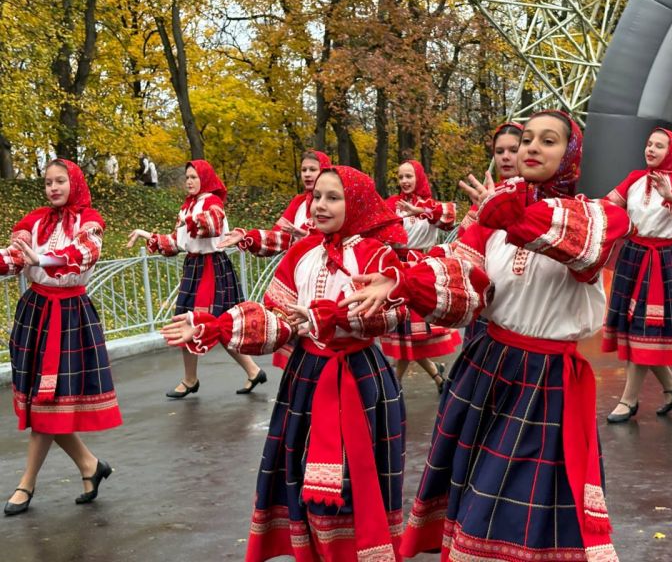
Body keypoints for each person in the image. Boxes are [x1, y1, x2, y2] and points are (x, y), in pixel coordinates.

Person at [160, 165, 491, 562]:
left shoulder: (377, 253)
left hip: (359, 377)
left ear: (358, 204)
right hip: (306, 376)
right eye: (317, 196)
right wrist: (218, 326)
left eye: (333, 198)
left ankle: (357, 551)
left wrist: (332, 317)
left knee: (354, 480)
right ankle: (317, 551)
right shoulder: (302, 253)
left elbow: (390, 314)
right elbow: (278, 318)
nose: (320, 205)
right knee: (304, 476)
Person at [343, 111, 632, 561]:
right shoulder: (490, 219)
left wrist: (511, 215)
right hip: (487, 367)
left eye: (548, 141)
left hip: (545, 382)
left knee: (518, 501)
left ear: (571, 155)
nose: (531, 147)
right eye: (527, 138)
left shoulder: (597, 216)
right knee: (478, 489)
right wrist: (402, 280)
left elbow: (582, 247)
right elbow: (463, 283)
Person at [2, 159, 122, 516]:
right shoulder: (35, 221)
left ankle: (27, 483)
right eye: (48, 182)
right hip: (35, 310)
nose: (53, 188)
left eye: (60, 181)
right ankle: (89, 465)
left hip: (68, 315)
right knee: (46, 403)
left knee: (48, 402)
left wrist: (45, 259)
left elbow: (85, 254)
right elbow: (15, 257)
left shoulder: (89, 221)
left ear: (74, 183)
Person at [127, 160, 266, 397]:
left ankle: (197, 379)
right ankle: (247, 372)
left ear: (205, 179)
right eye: (187, 177)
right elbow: (176, 243)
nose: (189, 181)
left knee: (205, 323)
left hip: (212, 267)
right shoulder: (187, 206)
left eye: (194, 177)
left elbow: (213, 224)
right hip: (194, 267)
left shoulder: (212, 201)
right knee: (199, 322)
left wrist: (190, 220)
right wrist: (146, 234)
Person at [602, 128, 672, 423]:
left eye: (658, 146)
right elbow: (608, 206)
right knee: (637, 330)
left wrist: (671, 196)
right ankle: (671, 384)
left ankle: (628, 401)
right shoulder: (635, 178)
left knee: (644, 330)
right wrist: (579, 208)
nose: (650, 149)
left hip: (659, 261)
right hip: (632, 256)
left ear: (671, 152)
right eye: (649, 144)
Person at [215, 150, 332, 369]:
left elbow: (341, 234)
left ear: (324, 171)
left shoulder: (336, 202)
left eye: (313, 169)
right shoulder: (298, 203)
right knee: (298, 346)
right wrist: (247, 236)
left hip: (327, 276)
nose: (307, 174)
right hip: (298, 277)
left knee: (323, 339)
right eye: (304, 170)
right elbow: (279, 238)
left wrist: (310, 236)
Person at [382, 159, 461, 393]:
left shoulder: (430, 206)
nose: (404, 181)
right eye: (400, 177)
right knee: (407, 333)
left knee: (410, 332)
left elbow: (449, 218)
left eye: (409, 176)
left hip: (420, 269)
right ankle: (436, 377)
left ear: (419, 177)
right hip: (396, 268)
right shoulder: (392, 204)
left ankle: (394, 385)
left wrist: (420, 211)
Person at [457, 121, 522, 342]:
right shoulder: (485, 194)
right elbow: (464, 240)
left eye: (513, 150)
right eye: (499, 151)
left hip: (520, 296)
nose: (505, 157)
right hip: (486, 291)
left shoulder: (535, 193)